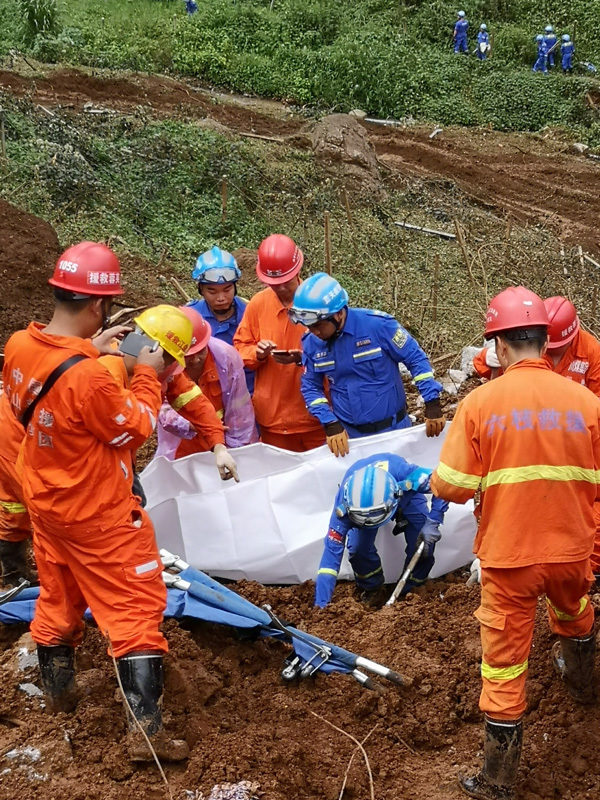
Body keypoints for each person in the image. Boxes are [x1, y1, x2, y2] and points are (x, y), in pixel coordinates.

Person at [2, 242, 191, 762]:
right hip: (97, 514)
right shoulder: (87, 377)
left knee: (58, 596)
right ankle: (145, 735)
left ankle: (61, 695)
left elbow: (50, 395)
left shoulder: (20, 344)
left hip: (46, 504)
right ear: (99, 305)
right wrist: (150, 373)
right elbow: (134, 428)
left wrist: (95, 346)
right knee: (135, 607)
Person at [430, 286, 600, 800]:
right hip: (573, 550)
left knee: (503, 665)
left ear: (499, 346)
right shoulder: (586, 402)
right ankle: (585, 687)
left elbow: (452, 485)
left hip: (510, 559)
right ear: (546, 344)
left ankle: (498, 782)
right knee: (575, 612)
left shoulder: (481, 404)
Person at [290, 273, 445, 458]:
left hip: (394, 433)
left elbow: (415, 359)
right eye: (310, 326)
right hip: (350, 440)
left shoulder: (378, 326)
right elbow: (310, 387)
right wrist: (329, 422)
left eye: (319, 325)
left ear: (338, 314)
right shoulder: (311, 342)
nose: (314, 331)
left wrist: (432, 400)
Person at [314, 455, 448, 608]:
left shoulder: (407, 476)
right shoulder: (344, 507)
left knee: (423, 545)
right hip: (361, 512)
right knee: (358, 550)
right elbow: (329, 561)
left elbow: (443, 483)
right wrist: (321, 605)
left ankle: (409, 591)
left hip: (406, 496)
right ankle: (373, 588)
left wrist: (434, 521)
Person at [233, 234, 326, 452]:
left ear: (298, 271)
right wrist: (258, 353)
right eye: (274, 283)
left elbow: (338, 349)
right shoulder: (257, 304)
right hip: (273, 419)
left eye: (286, 281)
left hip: (315, 415)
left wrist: (302, 358)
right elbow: (239, 349)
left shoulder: (318, 301)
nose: (281, 287)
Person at [156, 306, 257, 458]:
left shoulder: (225, 357)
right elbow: (161, 407)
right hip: (183, 441)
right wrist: (188, 425)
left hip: (222, 434)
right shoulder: (164, 364)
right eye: (188, 356)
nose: (196, 360)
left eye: (200, 352)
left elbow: (239, 409)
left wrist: (234, 451)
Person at [472, 296, 600, 394]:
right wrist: (487, 357)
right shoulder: (529, 342)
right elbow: (483, 368)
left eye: (556, 348)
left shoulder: (592, 351)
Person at [186, 246, 253, 394]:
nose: (221, 298)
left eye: (227, 289)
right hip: (204, 397)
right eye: (212, 291)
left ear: (235, 287)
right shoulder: (190, 316)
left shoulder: (250, 312)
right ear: (201, 289)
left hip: (246, 396)